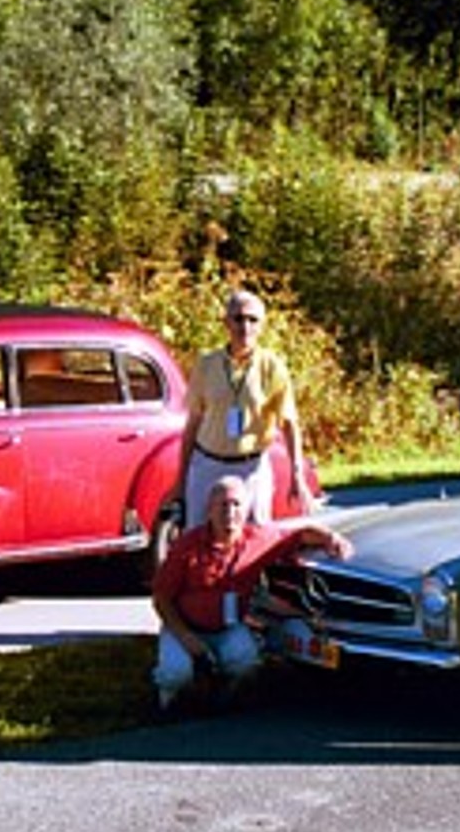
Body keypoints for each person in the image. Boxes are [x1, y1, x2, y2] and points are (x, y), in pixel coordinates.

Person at [151, 476, 352, 714]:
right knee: (175, 673)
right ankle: (167, 707)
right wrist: (187, 638)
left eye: (236, 504)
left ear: (246, 510)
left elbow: (299, 535)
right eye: (222, 505)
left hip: (228, 627)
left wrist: (331, 538)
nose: (230, 512)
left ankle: (221, 702)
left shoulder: (258, 540)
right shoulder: (186, 546)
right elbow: (161, 598)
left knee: (246, 662)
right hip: (184, 627)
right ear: (209, 510)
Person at [175, 289, 314, 524]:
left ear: (261, 326)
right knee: (197, 535)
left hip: (251, 468)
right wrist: (181, 480)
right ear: (226, 322)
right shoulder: (207, 365)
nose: (245, 327)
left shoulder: (272, 367)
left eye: (252, 320)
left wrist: (297, 475)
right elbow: (193, 423)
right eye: (238, 318)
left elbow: (289, 424)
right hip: (207, 465)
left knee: (255, 536)